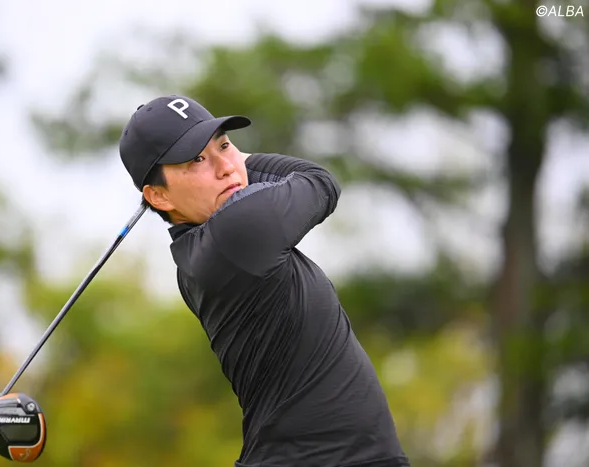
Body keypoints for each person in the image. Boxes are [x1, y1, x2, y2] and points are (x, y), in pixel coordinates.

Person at [118, 95, 410, 467]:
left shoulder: (195, 257)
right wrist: (240, 161)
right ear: (158, 196)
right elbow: (320, 182)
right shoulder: (236, 234)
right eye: (196, 160)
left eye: (224, 145)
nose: (225, 167)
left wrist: (221, 162)